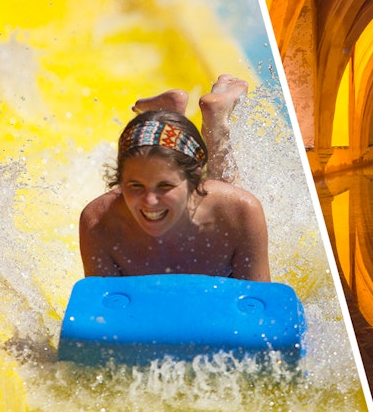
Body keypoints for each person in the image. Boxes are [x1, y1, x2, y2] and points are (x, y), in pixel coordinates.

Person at [79, 75, 270, 281]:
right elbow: (104, 301)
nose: (150, 201)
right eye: (135, 185)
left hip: (217, 204)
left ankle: (216, 123)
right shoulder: (99, 223)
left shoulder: (240, 211)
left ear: (195, 178)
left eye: (164, 186)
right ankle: (170, 116)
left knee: (226, 190)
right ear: (120, 180)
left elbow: (256, 297)